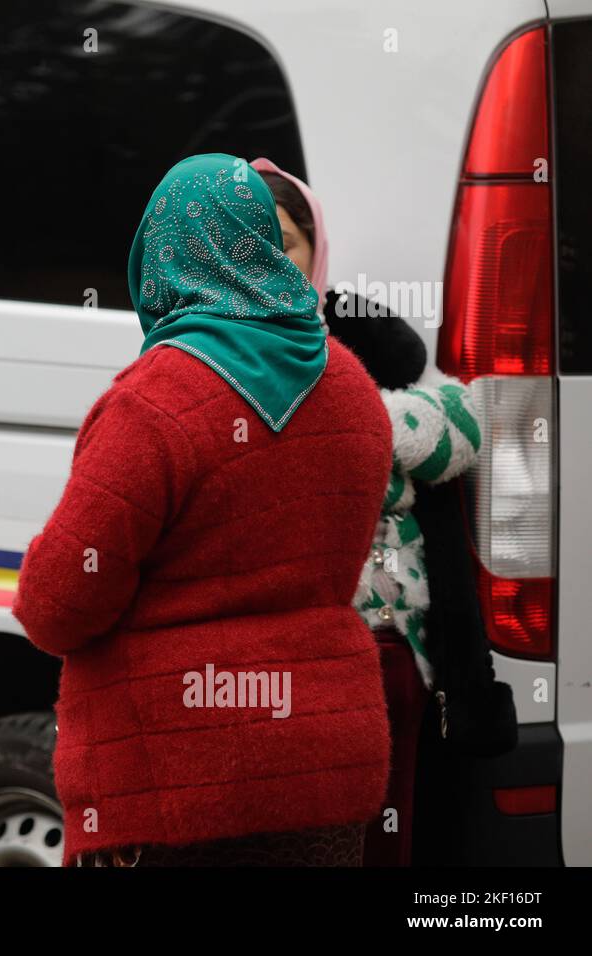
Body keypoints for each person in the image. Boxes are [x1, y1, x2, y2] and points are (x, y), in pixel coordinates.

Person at [12, 153, 393, 867]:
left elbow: (58, 605)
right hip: (326, 761)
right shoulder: (354, 389)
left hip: (181, 779)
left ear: (161, 255)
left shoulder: (153, 400)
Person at [251, 158, 513, 866]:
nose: (268, 261)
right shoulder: (205, 352)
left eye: (284, 240)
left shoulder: (369, 341)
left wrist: (352, 424)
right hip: (273, 666)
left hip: (393, 654)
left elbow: (460, 426)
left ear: (315, 250)